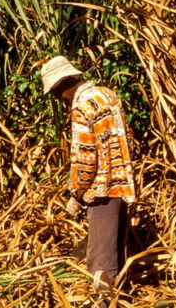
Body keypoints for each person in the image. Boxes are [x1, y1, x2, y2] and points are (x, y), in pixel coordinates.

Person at [41, 56, 135, 305]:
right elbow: (129, 139)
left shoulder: (81, 106)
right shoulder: (108, 95)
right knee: (116, 254)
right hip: (123, 186)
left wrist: (76, 194)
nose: (57, 98)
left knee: (101, 264)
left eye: (55, 91)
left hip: (101, 192)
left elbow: (85, 160)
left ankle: (104, 304)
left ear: (64, 84)